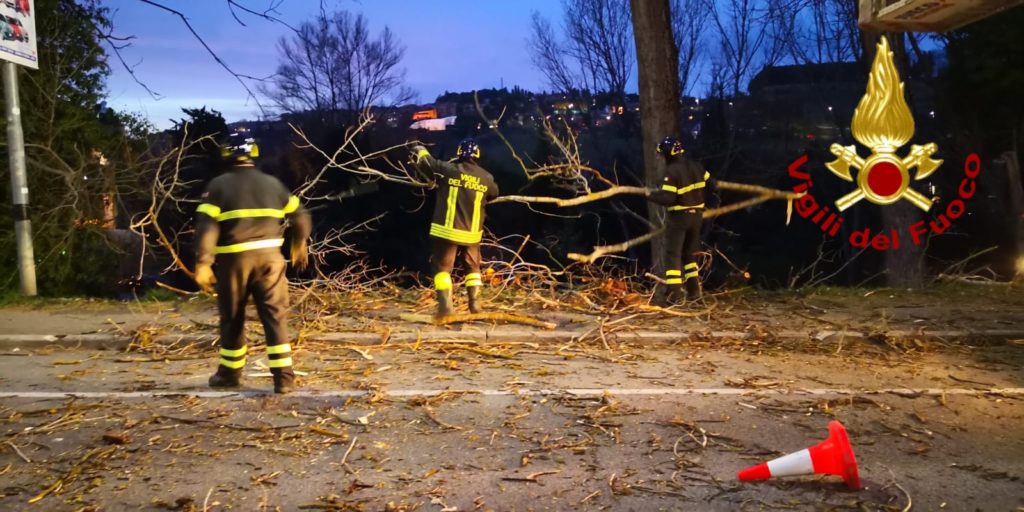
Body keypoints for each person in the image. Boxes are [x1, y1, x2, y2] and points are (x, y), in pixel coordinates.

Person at [194, 138, 312, 394]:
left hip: (234, 262)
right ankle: (284, 379)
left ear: (226, 154)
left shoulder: (218, 186)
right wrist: (300, 242)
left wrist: (203, 262)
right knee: (274, 317)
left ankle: (229, 374)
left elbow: (207, 227)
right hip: (270, 260)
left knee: (233, 318)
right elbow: (300, 215)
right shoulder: (273, 184)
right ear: (254, 155)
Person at [410, 139, 499, 317]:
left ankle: (446, 308)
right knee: (473, 269)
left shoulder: (449, 170)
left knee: (442, 269)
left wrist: (418, 147)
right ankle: (475, 305)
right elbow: (494, 193)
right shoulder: (486, 177)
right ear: (478, 155)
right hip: (472, 235)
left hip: (447, 232)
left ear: (459, 153)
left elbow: (426, 162)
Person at [647, 136, 711, 304]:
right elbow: (713, 184)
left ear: (667, 154)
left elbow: (668, 199)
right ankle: (694, 293)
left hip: (679, 218)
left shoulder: (672, 171)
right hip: (697, 217)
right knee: (689, 255)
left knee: (672, 255)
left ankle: (675, 296)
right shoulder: (697, 167)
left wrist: (650, 196)